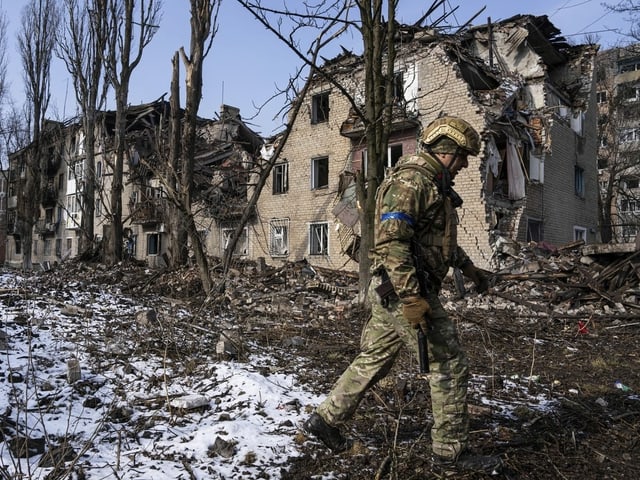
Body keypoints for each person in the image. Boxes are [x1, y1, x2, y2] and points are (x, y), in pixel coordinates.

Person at [302, 115, 500, 471]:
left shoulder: (432, 185)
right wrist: (412, 299)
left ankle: (326, 420)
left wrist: (470, 270)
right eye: (462, 156)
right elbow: (392, 243)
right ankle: (449, 453)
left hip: (395, 290)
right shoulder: (411, 182)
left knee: (375, 357)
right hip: (403, 290)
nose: (465, 164)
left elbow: (438, 242)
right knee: (449, 364)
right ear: (445, 151)